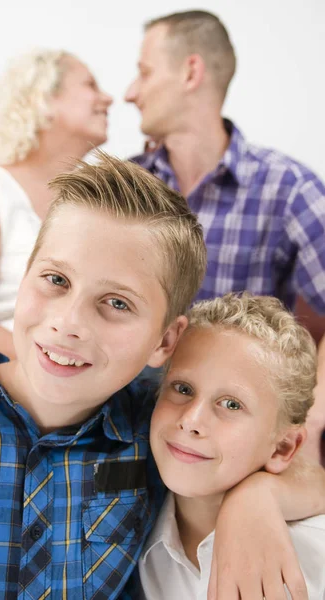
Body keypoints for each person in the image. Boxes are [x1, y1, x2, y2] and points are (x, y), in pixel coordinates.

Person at [0, 153, 324, 599]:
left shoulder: (160, 430)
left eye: (117, 303)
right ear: (23, 279)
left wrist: (258, 500)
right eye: (56, 279)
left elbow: (295, 469)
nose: (69, 322)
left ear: (164, 342)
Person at [125, 9, 325, 460]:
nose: (130, 93)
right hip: (130, 409)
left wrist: (313, 417)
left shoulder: (288, 187)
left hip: (232, 422)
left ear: (190, 71)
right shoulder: (129, 185)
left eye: (144, 72)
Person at [0, 48, 112, 371]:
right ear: (45, 100)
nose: (108, 98)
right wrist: (40, 363)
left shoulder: (99, 203)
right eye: (90, 85)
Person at [139, 292, 325, 599]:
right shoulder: (135, 528)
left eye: (231, 404)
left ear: (283, 448)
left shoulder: (314, 553)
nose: (191, 420)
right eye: (182, 388)